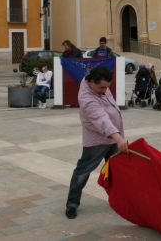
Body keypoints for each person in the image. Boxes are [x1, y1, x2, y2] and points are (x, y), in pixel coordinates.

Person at [65, 66, 127, 220]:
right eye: (102, 87)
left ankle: (120, 200)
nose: (105, 90)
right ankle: (72, 204)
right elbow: (102, 119)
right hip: (97, 141)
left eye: (107, 87)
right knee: (83, 171)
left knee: (116, 171)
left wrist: (118, 136)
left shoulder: (100, 85)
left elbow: (110, 108)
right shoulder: (86, 98)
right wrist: (119, 138)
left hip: (114, 137)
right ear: (91, 82)